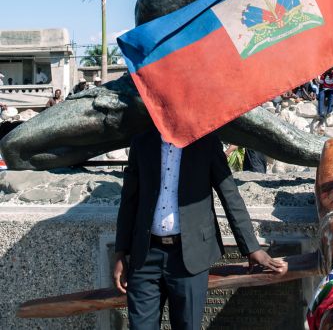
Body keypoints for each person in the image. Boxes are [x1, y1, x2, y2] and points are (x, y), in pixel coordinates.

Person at [114, 129, 286, 329]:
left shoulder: (207, 143)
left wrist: (251, 248)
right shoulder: (141, 142)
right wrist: (120, 252)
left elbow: (229, 194)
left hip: (190, 255)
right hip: (145, 256)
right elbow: (129, 200)